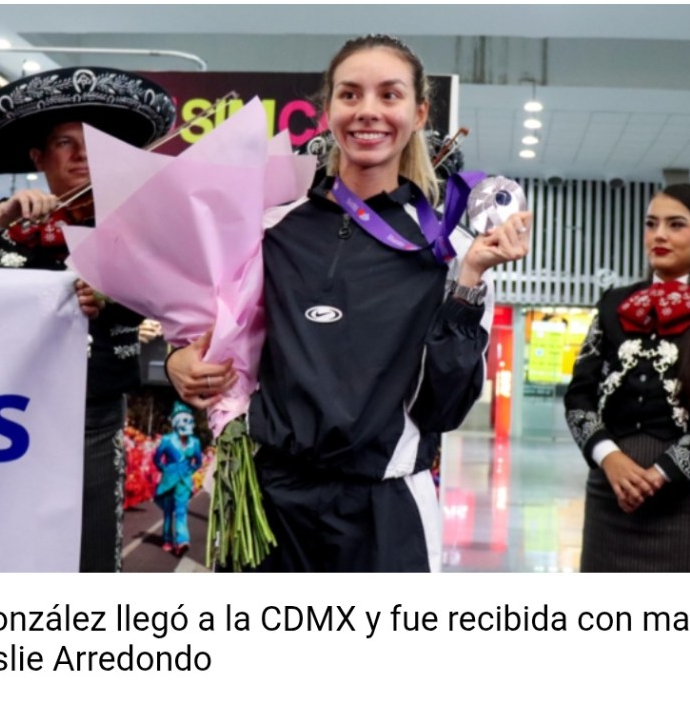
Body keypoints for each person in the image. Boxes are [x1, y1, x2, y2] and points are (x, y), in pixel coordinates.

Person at [168, 34, 531, 572]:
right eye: (350, 94)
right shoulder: (270, 227)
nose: (368, 111)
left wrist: (470, 282)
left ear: (419, 113)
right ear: (328, 109)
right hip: (269, 503)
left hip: (383, 509)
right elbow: (222, 338)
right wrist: (180, 360)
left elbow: (445, 409)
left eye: (389, 95)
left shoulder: (452, 251)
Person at [0, 66, 176, 572]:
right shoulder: (6, 226)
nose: (82, 155)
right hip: (4, 415)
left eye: (94, 143)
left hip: (95, 414)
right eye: (65, 143)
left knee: (92, 549)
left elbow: (178, 302)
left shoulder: (142, 225)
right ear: (38, 158)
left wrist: (116, 290)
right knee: (2, 546)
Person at [564, 183, 690, 572]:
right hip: (612, 498)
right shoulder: (613, 304)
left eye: (676, 224)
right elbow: (579, 396)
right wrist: (609, 458)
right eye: (651, 223)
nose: (659, 235)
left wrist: (662, 473)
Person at [153, 402, 203, 558]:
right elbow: (156, 458)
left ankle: (182, 540)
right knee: (168, 512)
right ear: (175, 422)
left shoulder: (195, 442)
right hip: (169, 481)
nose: (188, 423)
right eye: (184, 420)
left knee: (181, 512)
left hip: (184, 482)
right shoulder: (167, 440)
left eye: (190, 421)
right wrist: (164, 469)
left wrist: (189, 471)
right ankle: (167, 539)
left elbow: (198, 462)